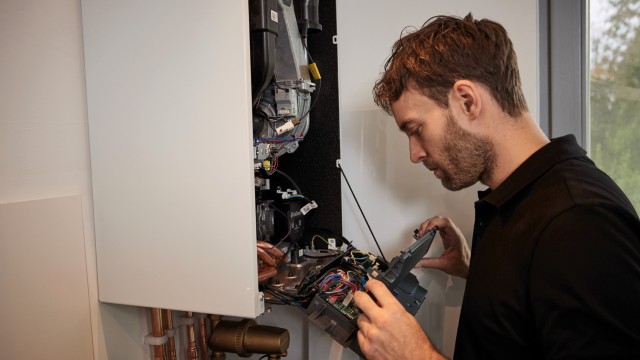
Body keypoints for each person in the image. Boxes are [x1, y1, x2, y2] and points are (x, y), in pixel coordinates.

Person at [352, 13, 640, 360]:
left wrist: (415, 355)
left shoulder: (579, 222)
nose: (415, 154)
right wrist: (475, 272)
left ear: (467, 102)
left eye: (415, 129)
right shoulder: (520, 200)